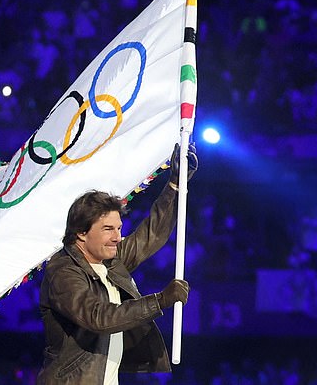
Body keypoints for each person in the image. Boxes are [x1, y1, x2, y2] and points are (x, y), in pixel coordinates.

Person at [37, 144, 198, 384]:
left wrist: (175, 185)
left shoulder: (110, 260)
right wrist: (160, 300)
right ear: (81, 233)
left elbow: (150, 235)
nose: (117, 237)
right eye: (108, 229)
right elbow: (98, 317)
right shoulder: (62, 271)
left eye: (119, 228)